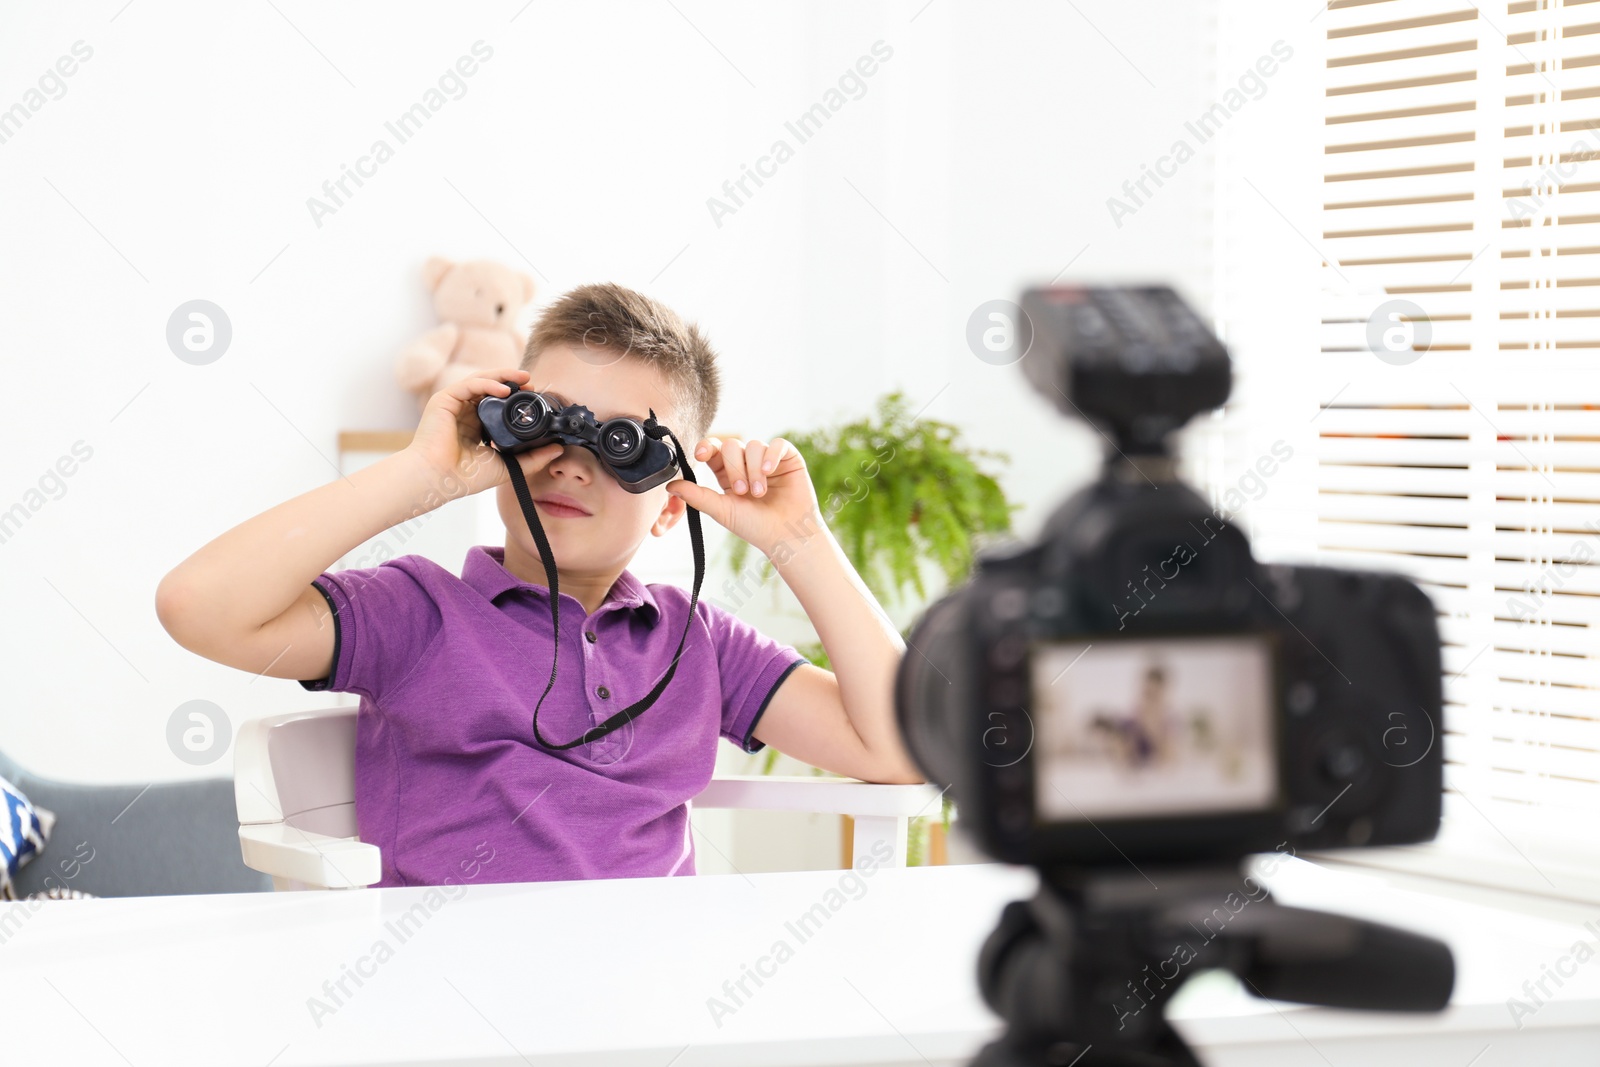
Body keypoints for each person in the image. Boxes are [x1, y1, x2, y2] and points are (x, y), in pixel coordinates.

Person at [156, 283, 922, 888]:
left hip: (653, 1004)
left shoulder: (699, 642)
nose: (572, 460)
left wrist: (800, 540)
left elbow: (901, 746)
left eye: (625, 443)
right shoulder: (419, 614)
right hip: (461, 1004)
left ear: (671, 503)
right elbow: (200, 607)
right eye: (548, 423)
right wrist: (423, 476)